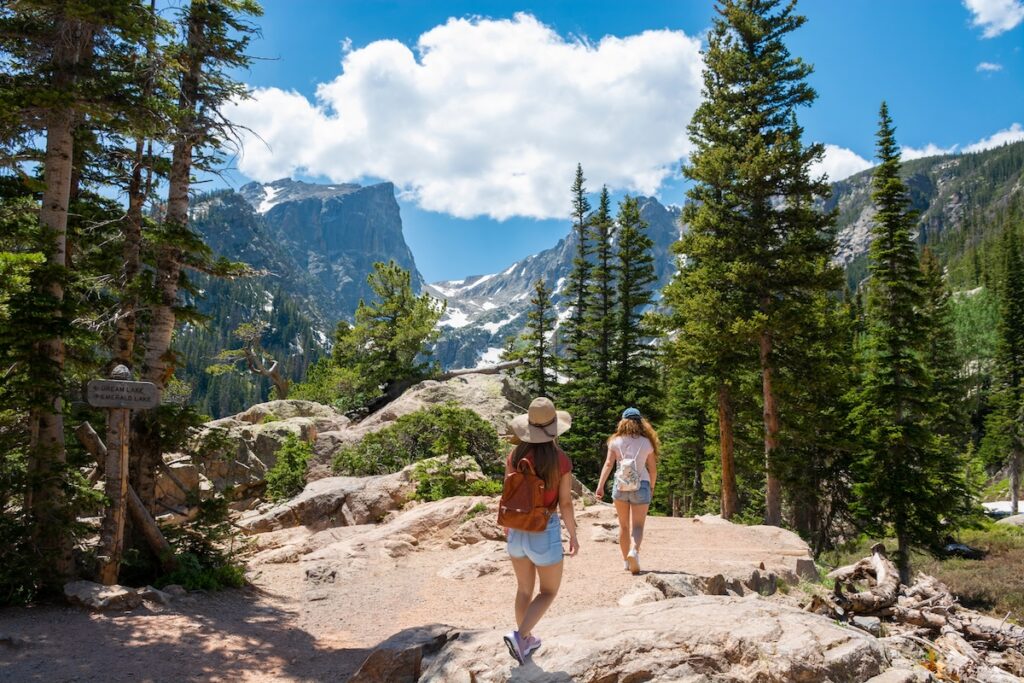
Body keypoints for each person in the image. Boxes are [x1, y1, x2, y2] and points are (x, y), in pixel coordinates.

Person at [501, 397, 579, 664]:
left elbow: (507, 493)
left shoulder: (515, 455)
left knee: (524, 590)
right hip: (544, 530)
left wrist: (508, 527)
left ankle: (527, 641)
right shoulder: (560, 461)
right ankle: (520, 637)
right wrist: (573, 534)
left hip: (516, 530)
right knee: (548, 591)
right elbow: (566, 503)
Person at [595, 407, 659, 575]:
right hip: (641, 485)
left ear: (622, 421)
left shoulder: (615, 441)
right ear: (640, 423)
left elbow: (608, 464)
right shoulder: (647, 443)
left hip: (620, 486)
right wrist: (651, 487)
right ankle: (634, 551)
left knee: (623, 525)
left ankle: (625, 561)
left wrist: (600, 486)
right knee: (638, 526)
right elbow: (652, 469)